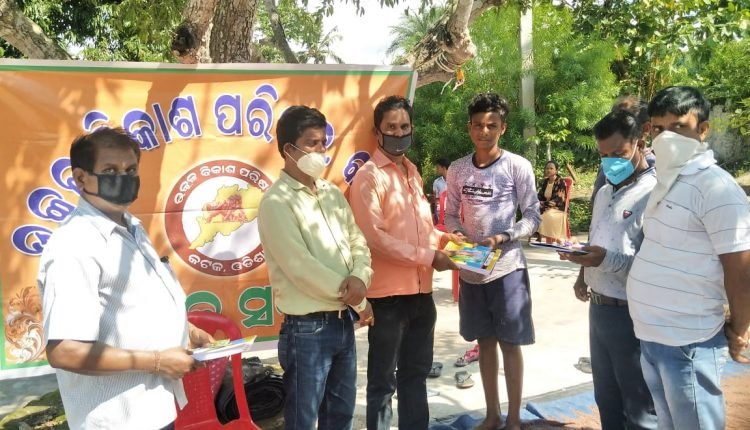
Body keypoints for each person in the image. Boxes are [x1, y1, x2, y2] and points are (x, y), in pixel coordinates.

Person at [39, 127, 214, 430]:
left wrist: (186, 330)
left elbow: (132, 304)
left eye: (130, 170)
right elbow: (65, 350)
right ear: (80, 178)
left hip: (155, 409)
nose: (123, 178)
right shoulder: (75, 244)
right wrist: (157, 361)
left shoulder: (132, 227)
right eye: (110, 170)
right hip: (115, 419)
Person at [627, 86, 750, 430]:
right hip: (652, 336)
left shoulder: (716, 188)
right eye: (658, 128)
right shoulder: (668, 180)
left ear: (703, 129)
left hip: (688, 341)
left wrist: (739, 327)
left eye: (678, 127)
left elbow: (740, 269)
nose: (666, 137)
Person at [257, 106, 374, 430]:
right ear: (289, 150)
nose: (321, 151)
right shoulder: (276, 202)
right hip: (307, 330)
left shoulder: (331, 193)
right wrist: (358, 299)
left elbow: (357, 241)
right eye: (312, 143)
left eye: (323, 142)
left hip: (342, 323)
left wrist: (360, 277)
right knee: (303, 421)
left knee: (340, 416)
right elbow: (301, 268)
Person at [348, 95, 459, 430]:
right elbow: (375, 238)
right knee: (382, 383)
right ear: (377, 132)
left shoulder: (413, 173)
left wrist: (449, 242)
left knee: (415, 376)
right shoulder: (368, 177)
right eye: (391, 127)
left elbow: (421, 231)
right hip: (387, 301)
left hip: (422, 296)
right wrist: (430, 256)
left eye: (404, 126)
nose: (399, 133)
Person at [445, 93, 541, 430]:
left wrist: (504, 237)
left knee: (510, 345)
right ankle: (492, 416)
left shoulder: (517, 166)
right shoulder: (457, 169)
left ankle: (513, 419)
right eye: (478, 125)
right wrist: (458, 234)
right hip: (471, 265)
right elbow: (450, 214)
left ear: (503, 128)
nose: (484, 131)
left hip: (508, 268)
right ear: (469, 127)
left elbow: (533, 216)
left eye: (491, 125)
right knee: (484, 343)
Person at [560, 110, 657, 430]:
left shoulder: (654, 193)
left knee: (639, 406)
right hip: (599, 308)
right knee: (607, 398)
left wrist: (604, 260)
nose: (611, 163)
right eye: (603, 156)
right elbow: (597, 238)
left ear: (639, 142)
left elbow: (653, 265)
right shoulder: (603, 193)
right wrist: (582, 269)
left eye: (618, 153)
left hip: (632, 312)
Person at [532, 160, 568, 244]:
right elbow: (540, 196)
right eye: (547, 168)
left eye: (551, 168)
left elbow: (559, 199)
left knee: (546, 214)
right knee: (533, 209)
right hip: (545, 205)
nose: (548, 170)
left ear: (556, 170)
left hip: (557, 207)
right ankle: (537, 234)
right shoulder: (545, 182)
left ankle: (554, 238)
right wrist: (536, 201)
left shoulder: (560, 182)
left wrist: (543, 204)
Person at [432, 157, 450, 223]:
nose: (436, 170)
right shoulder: (436, 182)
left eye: (438, 168)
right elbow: (436, 199)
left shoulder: (456, 180)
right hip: (441, 212)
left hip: (454, 212)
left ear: (443, 168)